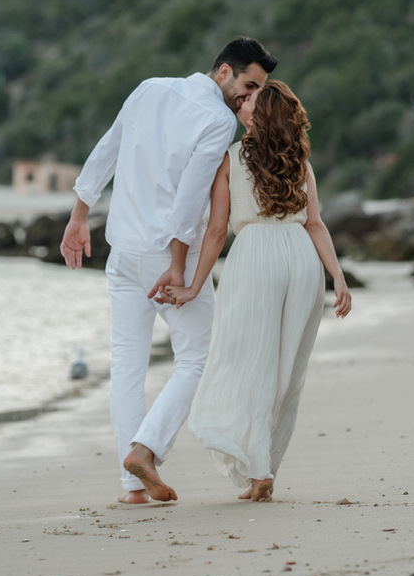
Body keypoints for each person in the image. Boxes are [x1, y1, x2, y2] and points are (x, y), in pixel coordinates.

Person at [61, 37, 277, 504]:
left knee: (128, 368)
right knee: (200, 359)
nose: (248, 98)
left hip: (123, 252)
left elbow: (107, 150)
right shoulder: (218, 119)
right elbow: (189, 201)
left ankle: (133, 487)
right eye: (247, 85)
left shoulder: (147, 88)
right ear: (223, 71)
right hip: (168, 257)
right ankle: (147, 449)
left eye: (257, 89)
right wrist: (179, 268)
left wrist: (79, 216)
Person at [164, 80, 352, 502]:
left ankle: (259, 468)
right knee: (286, 369)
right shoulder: (300, 162)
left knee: (245, 361)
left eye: (249, 100)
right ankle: (263, 470)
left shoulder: (230, 158)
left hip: (255, 259)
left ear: (259, 114)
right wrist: (336, 276)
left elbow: (215, 230)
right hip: (303, 262)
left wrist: (195, 285)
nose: (242, 102)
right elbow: (315, 224)